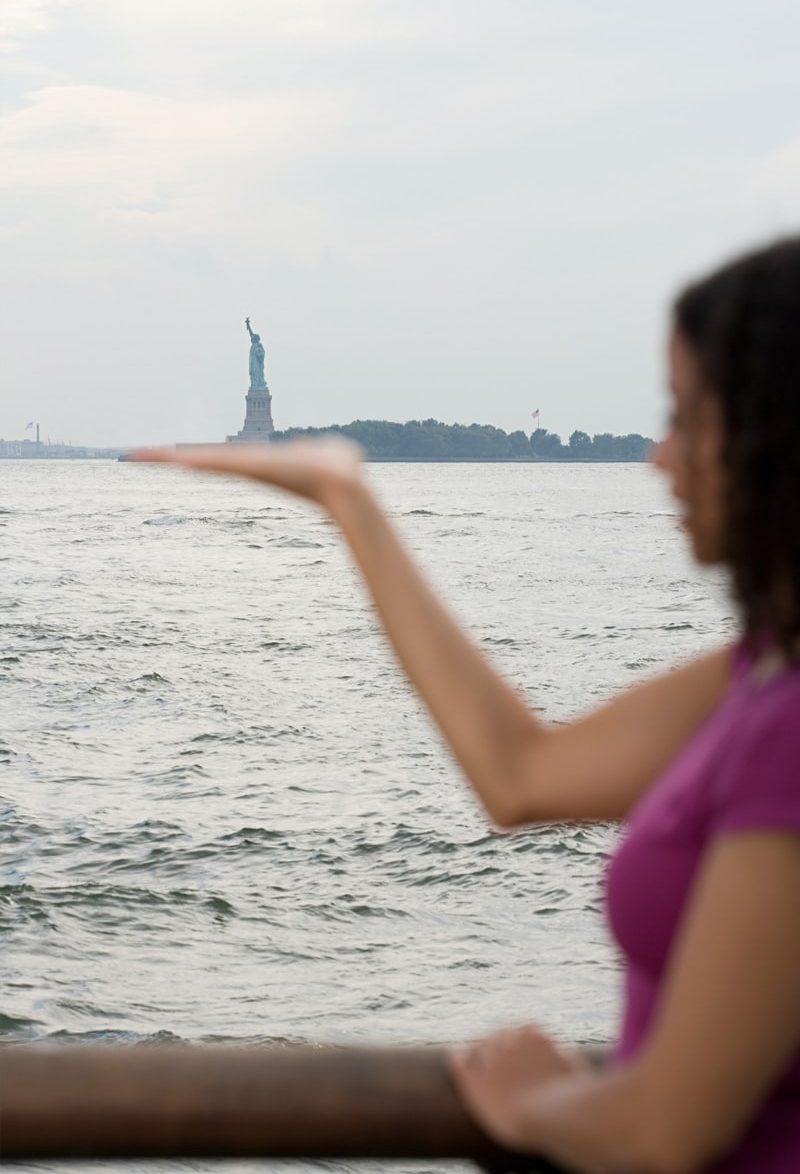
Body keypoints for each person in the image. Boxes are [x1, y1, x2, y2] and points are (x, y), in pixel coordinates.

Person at [135, 236, 800, 1173]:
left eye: (690, 420)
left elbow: (660, 1132)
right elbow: (518, 777)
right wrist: (349, 502)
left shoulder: (787, 729)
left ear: (775, 438)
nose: (659, 458)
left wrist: (541, 1102)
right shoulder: (762, 676)